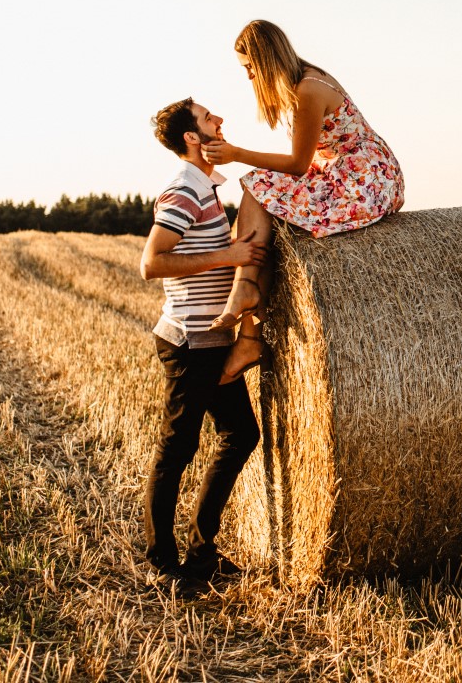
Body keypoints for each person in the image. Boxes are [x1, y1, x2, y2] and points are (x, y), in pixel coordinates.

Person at [201, 20, 405, 382]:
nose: (248, 76)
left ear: (265, 61)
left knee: (258, 185)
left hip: (365, 180)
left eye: (249, 67)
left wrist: (235, 153)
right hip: (349, 173)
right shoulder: (306, 78)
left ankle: (246, 305)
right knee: (264, 212)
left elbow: (297, 165)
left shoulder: (309, 90)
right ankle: (249, 323)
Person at [137, 97, 265, 591]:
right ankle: (162, 561)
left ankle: (201, 547)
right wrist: (227, 254)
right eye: (210, 119)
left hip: (212, 338)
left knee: (241, 435)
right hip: (190, 341)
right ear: (192, 137)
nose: (220, 122)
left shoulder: (206, 187)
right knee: (179, 446)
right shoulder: (184, 190)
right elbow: (152, 263)